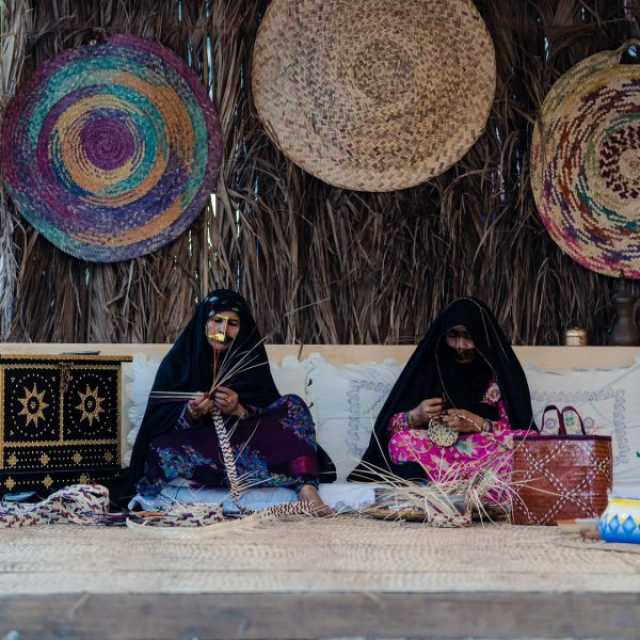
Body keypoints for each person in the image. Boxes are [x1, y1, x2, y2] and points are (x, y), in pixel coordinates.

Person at [129, 289, 335, 513]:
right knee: (162, 449)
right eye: (217, 320)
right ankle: (271, 476)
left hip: (247, 444)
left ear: (242, 328)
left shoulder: (250, 359)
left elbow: (269, 410)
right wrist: (189, 413)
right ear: (203, 322)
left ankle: (306, 489)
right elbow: (156, 420)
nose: (223, 330)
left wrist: (239, 409)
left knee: (293, 405)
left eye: (233, 323)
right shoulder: (179, 363)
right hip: (202, 447)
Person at [348, 298, 534, 501]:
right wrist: (415, 416)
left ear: (482, 337)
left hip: (483, 451)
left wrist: (479, 424)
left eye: (468, 337)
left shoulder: (501, 373)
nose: (461, 346)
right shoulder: (430, 368)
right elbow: (389, 428)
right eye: (453, 336)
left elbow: (523, 434)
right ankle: (452, 494)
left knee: (521, 451)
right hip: (438, 452)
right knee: (400, 442)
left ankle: (451, 493)